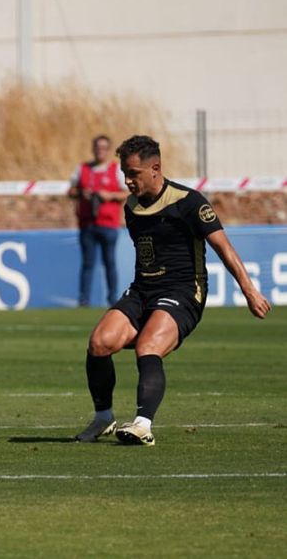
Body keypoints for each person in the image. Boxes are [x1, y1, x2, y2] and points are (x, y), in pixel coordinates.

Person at [75, 135, 271, 446]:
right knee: (99, 343)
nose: (127, 181)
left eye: (133, 174)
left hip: (183, 290)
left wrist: (249, 291)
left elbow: (222, 246)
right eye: (124, 173)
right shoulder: (131, 206)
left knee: (148, 346)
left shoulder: (189, 202)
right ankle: (103, 417)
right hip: (142, 289)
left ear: (155, 168)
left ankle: (142, 425)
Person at [68, 135, 129, 306]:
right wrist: (82, 193)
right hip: (87, 223)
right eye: (97, 147)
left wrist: (109, 196)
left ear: (108, 150)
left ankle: (112, 298)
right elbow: (71, 191)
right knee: (88, 263)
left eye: (103, 148)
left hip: (109, 223)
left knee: (109, 262)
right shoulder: (82, 169)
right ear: (93, 148)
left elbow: (127, 192)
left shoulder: (116, 169)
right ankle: (84, 299)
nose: (100, 151)